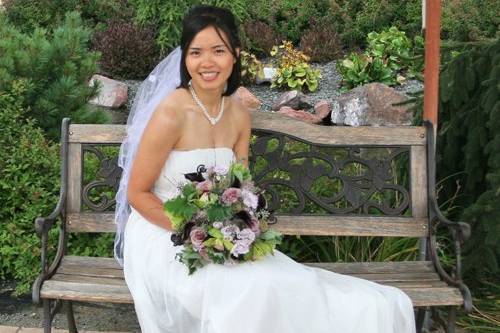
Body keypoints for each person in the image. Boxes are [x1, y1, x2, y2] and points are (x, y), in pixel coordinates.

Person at [115, 5, 417, 333]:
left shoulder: (238, 116)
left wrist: (240, 225)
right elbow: (137, 193)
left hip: (220, 233)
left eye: (218, 51)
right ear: (185, 59)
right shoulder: (171, 113)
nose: (207, 62)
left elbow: (241, 186)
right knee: (246, 290)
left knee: (288, 284)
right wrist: (194, 232)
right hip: (163, 234)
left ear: (235, 54)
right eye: (196, 52)